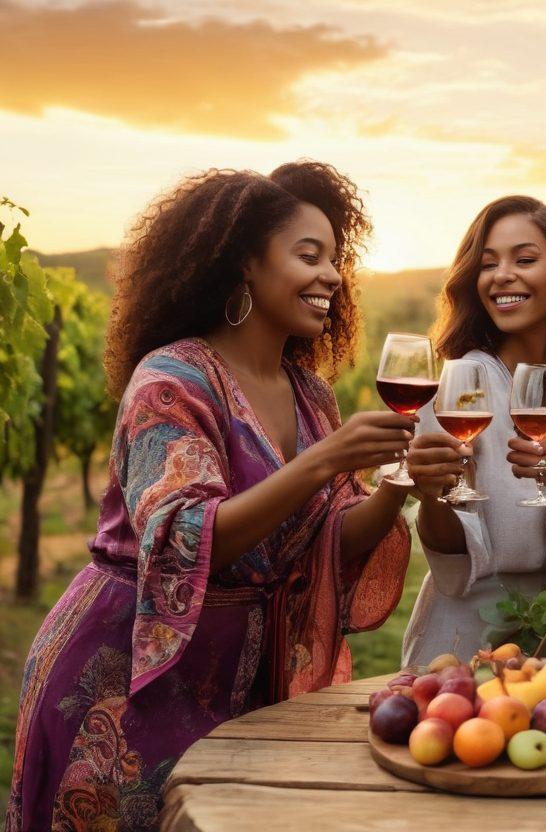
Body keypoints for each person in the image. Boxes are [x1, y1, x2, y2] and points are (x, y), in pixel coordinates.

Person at [6, 162, 414, 831]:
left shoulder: (309, 393)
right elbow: (186, 535)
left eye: (337, 260)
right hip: (123, 679)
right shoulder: (171, 381)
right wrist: (323, 463)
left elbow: (333, 538)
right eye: (308, 256)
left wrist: (400, 480)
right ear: (246, 264)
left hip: (240, 681)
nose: (332, 277)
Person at [401, 196, 546, 666]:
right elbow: (449, 562)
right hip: (466, 641)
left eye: (524, 259)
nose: (502, 275)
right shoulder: (460, 388)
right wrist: (431, 495)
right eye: (488, 264)